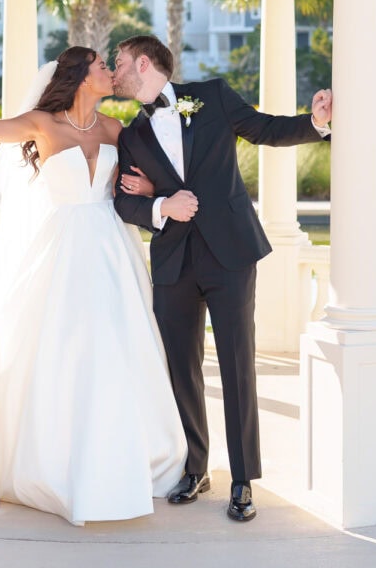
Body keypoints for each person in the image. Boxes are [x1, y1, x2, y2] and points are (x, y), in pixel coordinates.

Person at [0, 29, 186, 526]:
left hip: (110, 248)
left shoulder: (114, 127)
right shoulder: (41, 123)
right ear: (80, 75)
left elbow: (151, 173)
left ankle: (125, 457)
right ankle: (58, 465)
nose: (110, 71)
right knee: (63, 350)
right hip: (62, 249)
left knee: (117, 345)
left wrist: (152, 186)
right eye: (100, 65)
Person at [113, 36, 332, 524]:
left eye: (120, 62)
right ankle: (196, 468)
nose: (114, 71)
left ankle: (242, 480)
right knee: (180, 368)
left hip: (231, 254)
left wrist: (316, 122)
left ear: (143, 62)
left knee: (236, 366)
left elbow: (264, 129)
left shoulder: (211, 96)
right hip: (173, 261)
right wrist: (160, 206)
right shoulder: (131, 136)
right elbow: (123, 201)